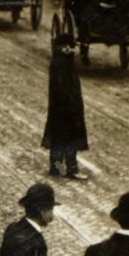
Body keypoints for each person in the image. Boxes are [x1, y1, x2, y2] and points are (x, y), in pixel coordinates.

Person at [43, 33, 89, 180]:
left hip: (60, 110)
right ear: (59, 47)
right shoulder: (61, 64)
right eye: (64, 47)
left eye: (70, 47)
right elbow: (63, 89)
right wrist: (72, 107)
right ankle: (71, 169)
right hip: (66, 109)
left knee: (58, 138)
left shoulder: (62, 62)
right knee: (70, 138)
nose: (68, 49)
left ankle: (56, 167)